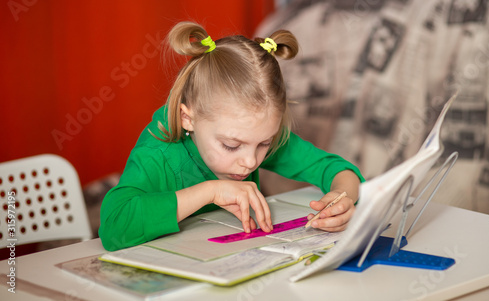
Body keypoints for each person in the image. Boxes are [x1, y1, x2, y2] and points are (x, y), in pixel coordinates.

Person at [99, 21, 364, 251]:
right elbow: (113, 226)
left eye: (265, 144)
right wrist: (210, 192)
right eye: (230, 146)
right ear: (187, 119)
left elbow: (335, 169)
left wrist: (343, 197)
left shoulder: (252, 133)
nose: (250, 161)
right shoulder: (159, 153)